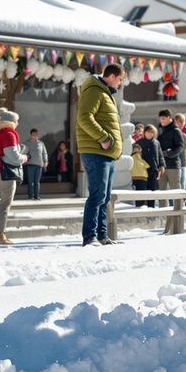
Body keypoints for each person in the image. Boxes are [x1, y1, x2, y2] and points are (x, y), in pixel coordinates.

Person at [76, 64, 125, 246]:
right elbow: (84, 117)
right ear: (112, 76)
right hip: (96, 151)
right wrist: (103, 137)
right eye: (120, 79)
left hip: (107, 153)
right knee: (97, 195)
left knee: (104, 197)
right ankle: (89, 237)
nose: (120, 83)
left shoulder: (104, 92)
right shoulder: (94, 91)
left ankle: (102, 235)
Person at [0, 106, 26, 247]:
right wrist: (25, 157)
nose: (18, 124)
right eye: (17, 121)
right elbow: (13, 157)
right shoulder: (9, 134)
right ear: (11, 122)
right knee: (4, 206)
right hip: (5, 174)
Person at [156, 110, 185, 191]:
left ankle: (179, 204)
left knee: (176, 192)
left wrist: (168, 153)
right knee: (161, 193)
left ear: (169, 118)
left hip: (173, 166)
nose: (161, 121)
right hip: (161, 166)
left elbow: (180, 147)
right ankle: (163, 205)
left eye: (163, 118)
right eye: (160, 119)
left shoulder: (176, 130)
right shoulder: (159, 130)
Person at [139, 124, 162, 199]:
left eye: (152, 132)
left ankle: (151, 207)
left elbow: (160, 155)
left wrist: (161, 166)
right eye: (148, 132)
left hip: (153, 170)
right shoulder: (139, 143)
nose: (150, 134)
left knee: (152, 190)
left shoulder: (156, 143)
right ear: (144, 132)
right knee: (142, 190)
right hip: (142, 170)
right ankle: (141, 206)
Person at [24, 128, 47, 200]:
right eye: (33, 135)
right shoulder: (26, 143)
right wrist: (24, 160)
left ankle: (37, 196)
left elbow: (44, 153)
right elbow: (23, 152)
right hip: (30, 164)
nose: (34, 136)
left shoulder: (41, 143)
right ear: (30, 135)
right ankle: (31, 196)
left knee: (37, 182)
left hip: (39, 164)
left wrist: (45, 161)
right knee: (31, 181)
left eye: (36, 135)